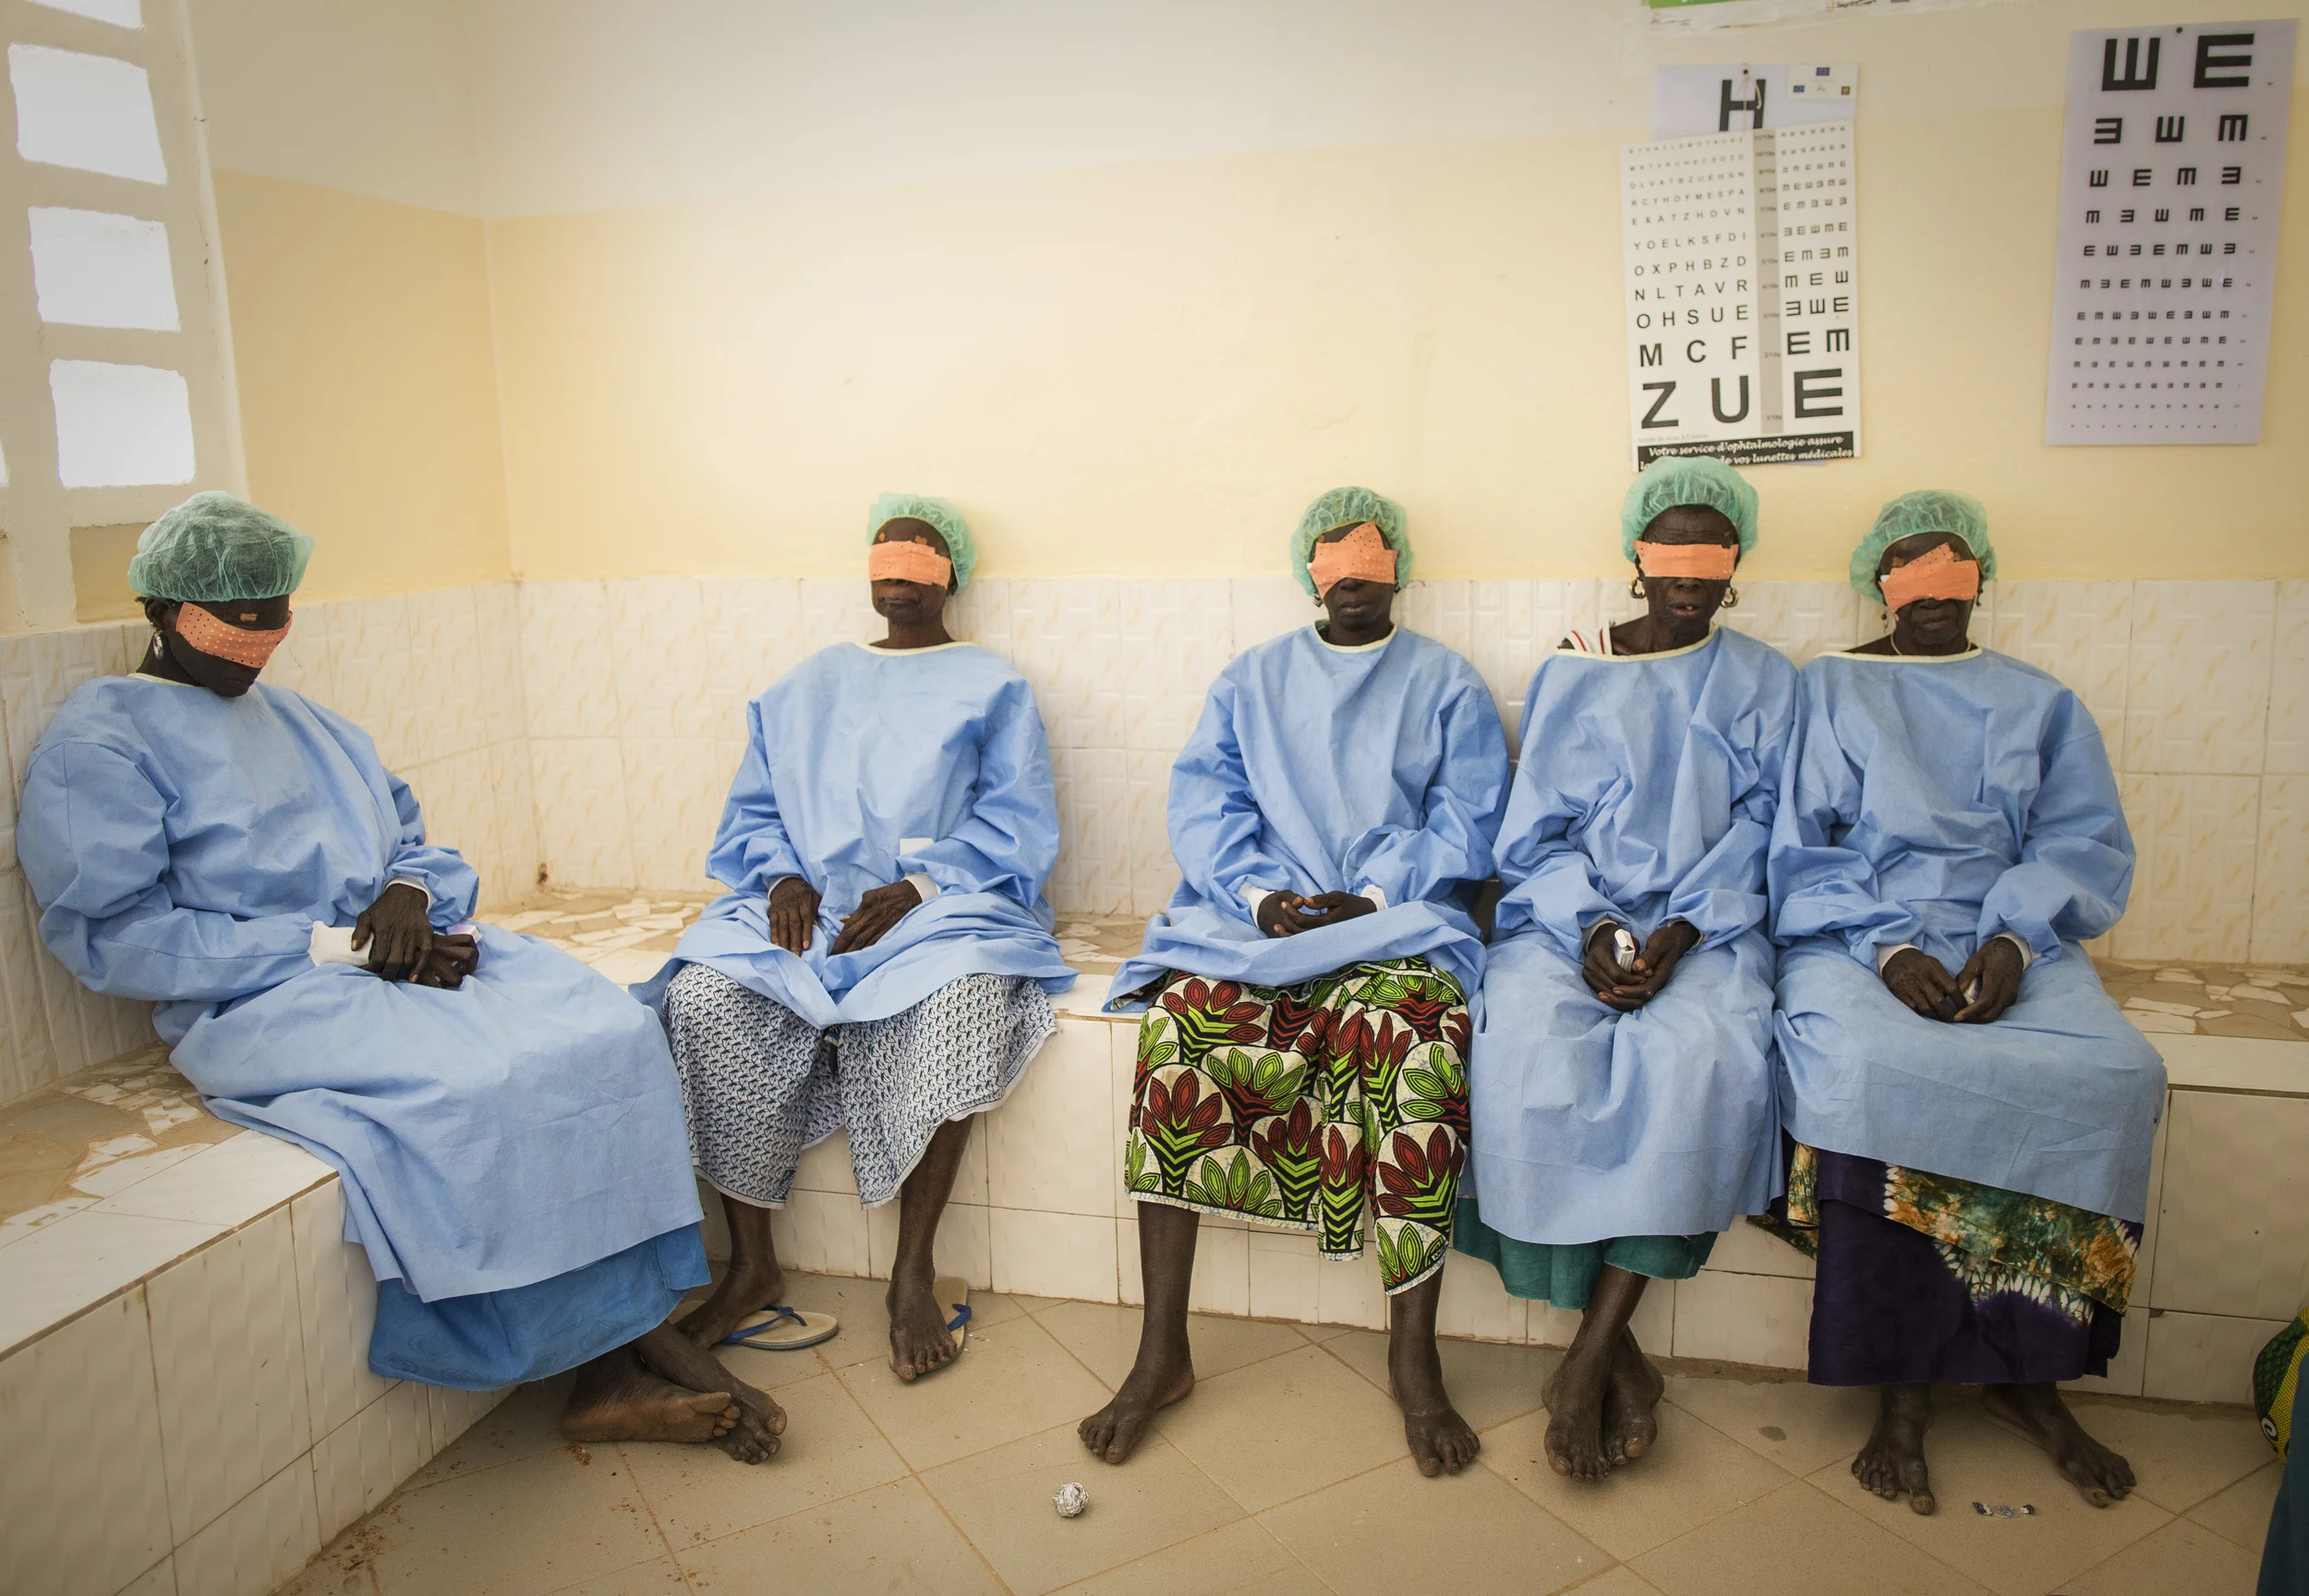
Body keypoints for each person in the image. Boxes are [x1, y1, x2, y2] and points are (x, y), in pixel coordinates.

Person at [18, 493, 782, 1462]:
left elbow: (415, 844)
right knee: (484, 1085)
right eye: (233, 623)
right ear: (161, 609)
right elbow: (111, 936)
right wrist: (334, 947)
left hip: (399, 961)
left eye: (273, 619)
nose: (255, 647)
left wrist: (410, 898)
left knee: (611, 1030)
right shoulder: (103, 742)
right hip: (263, 996)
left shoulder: (310, 723)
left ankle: (626, 1335)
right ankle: (620, 1358)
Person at [1080, 487, 1510, 1478]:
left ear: (1399, 569)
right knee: (1181, 1029)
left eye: (1370, 557)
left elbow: (1469, 820)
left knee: (1419, 1044)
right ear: (1307, 574)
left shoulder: (1445, 683)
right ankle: (1162, 1348)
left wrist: (1375, 896)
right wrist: (1261, 896)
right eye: (1332, 560)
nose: (1353, 575)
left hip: (1393, 921)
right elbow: (1207, 805)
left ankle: (1412, 1356)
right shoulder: (1252, 680)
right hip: (1263, 925)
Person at [1769, 490, 2166, 1515]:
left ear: (1981, 578)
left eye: (1952, 570)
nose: (1933, 591)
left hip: (2008, 937)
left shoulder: (2038, 702)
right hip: (1858, 935)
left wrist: (2013, 939)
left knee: (2118, 1075)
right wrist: (1888, 945)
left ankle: (2029, 1379)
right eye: (1910, 572)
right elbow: (1801, 846)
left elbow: (2079, 843)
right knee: (1871, 1067)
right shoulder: (1833, 687)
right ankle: (1901, 1391)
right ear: (1878, 585)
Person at [642, 493, 1075, 1381]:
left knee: (966, 1000)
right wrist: (782, 878)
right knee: (706, 996)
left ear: (952, 575)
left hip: (939, 907)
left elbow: (1017, 822)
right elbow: (754, 813)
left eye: (919, 561)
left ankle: (911, 1271)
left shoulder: (991, 686)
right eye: (885, 562)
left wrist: (921, 886)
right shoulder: (804, 687)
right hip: (809, 908)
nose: (899, 578)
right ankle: (751, 1264)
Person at [1457, 455, 1794, 1482]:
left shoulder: (1764, 681)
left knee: (1701, 1058)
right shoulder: (1577, 668)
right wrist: (1595, 928)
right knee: (1524, 1051)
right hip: (1568, 919)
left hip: (1712, 925)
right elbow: (1536, 835)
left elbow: (1762, 831)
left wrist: (1682, 932)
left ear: (1736, 563)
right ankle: (1620, 1356)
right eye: (1670, 556)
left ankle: (1586, 1361)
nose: (1689, 576)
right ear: (1635, 561)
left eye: (1712, 555)